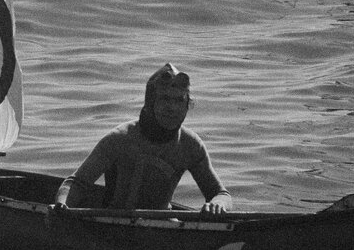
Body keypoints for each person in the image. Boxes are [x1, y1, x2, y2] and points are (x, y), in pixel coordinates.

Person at [53, 63, 232, 214]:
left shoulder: (190, 145)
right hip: (112, 224)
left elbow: (221, 194)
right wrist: (62, 206)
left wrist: (218, 204)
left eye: (179, 101)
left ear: (187, 105)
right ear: (149, 103)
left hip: (161, 227)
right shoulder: (120, 139)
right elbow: (75, 183)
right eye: (165, 99)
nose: (172, 108)